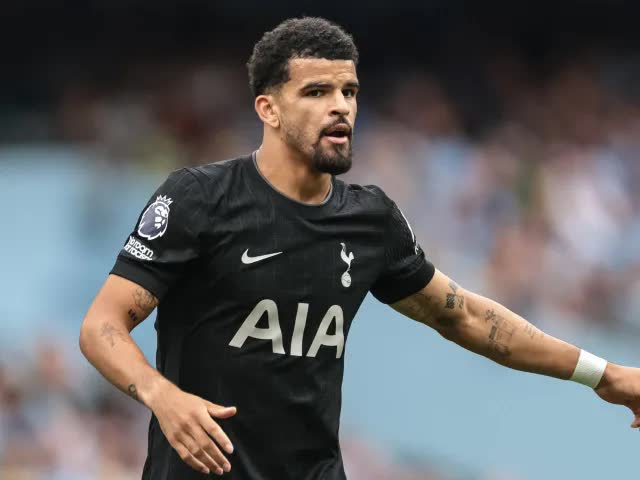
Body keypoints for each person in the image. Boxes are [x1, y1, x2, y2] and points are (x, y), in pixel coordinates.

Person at [79, 16, 640, 480]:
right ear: (268, 109)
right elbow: (102, 325)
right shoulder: (200, 197)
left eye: (348, 91)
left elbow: (465, 315)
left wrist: (604, 374)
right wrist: (161, 395)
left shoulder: (370, 218)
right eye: (317, 92)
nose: (341, 107)